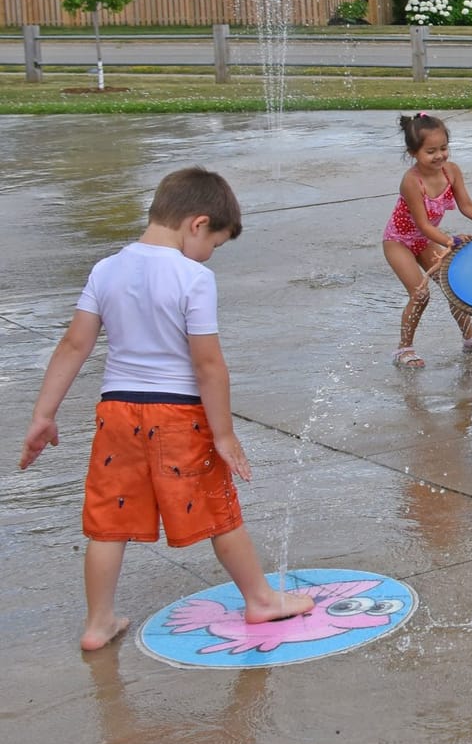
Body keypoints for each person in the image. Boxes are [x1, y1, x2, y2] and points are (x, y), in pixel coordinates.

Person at [18, 167, 316, 651]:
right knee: (218, 510)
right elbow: (207, 364)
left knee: (108, 522)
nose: (211, 254)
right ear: (198, 224)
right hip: (177, 414)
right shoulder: (193, 277)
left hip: (117, 412)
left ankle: (98, 622)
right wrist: (223, 434)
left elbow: (74, 344)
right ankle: (260, 599)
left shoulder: (105, 270)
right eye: (214, 243)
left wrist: (43, 414)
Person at [384, 112, 472, 368]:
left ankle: (470, 339)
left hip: (425, 240)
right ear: (413, 153)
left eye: (443, 148)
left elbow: (467, 206)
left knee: (455, 287)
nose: (440, 156)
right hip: (398, 242)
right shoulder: (411, 181)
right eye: (430, 151)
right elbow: (423, 224)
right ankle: (403, 349)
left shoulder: (451, 171)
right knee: (420, 294)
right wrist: (450, 240)